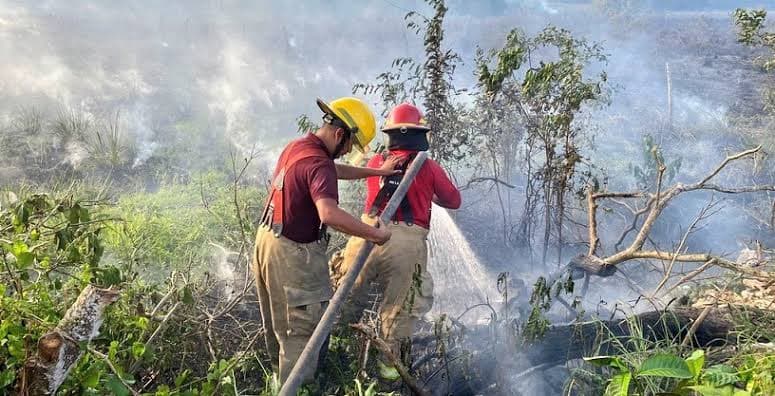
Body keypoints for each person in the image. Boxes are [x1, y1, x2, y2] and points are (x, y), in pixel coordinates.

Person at [253, 97, 401, 384]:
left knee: (279, 327)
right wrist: (375, 234)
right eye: (348, 146)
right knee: (301, 333)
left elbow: (334, 170)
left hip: (267, 240)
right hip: (292, 254)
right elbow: (329, 213)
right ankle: (296, 388)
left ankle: (279, 382)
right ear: (339, 133)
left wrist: (377, 172)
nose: (347, 152)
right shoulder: (319, 162)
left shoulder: (300, 147)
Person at [336, 102, 461, 364]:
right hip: (404, 245)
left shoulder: (376, 162)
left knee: (345, 302)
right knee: (398, 315)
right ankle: (390, 381)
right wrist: (430, 193)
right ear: (419, 133)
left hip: (364, 236)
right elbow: (454, 200)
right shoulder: (428, 166)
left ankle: (338, 358)